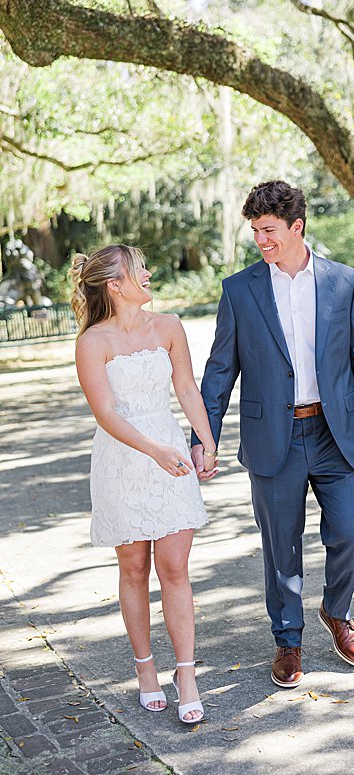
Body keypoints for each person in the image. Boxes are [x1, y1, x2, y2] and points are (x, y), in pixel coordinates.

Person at [191, 180, 354, 689]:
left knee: (351, 531)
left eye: (269, 230)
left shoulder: (342, 281)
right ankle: (288, 640)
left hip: (337, 433)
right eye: (256, 231)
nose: (261, 240)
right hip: (273, 438)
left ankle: (337, 611)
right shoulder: (239, 290)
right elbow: (220, 371)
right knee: (280, 546)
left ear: (296, 227)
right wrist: (204, 435)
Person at [72, 245, 216, 725]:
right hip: (124, 458)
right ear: (115, 285)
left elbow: (187, 389)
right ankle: (146, 671)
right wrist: (154, 450)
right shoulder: (93, 341)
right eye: (139, 270)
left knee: (174, 568)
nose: (149, 273)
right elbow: (106, 414)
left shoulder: (169, 326)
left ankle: (187, 674)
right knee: (134, 569)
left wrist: (207, 441)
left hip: (171, 450)